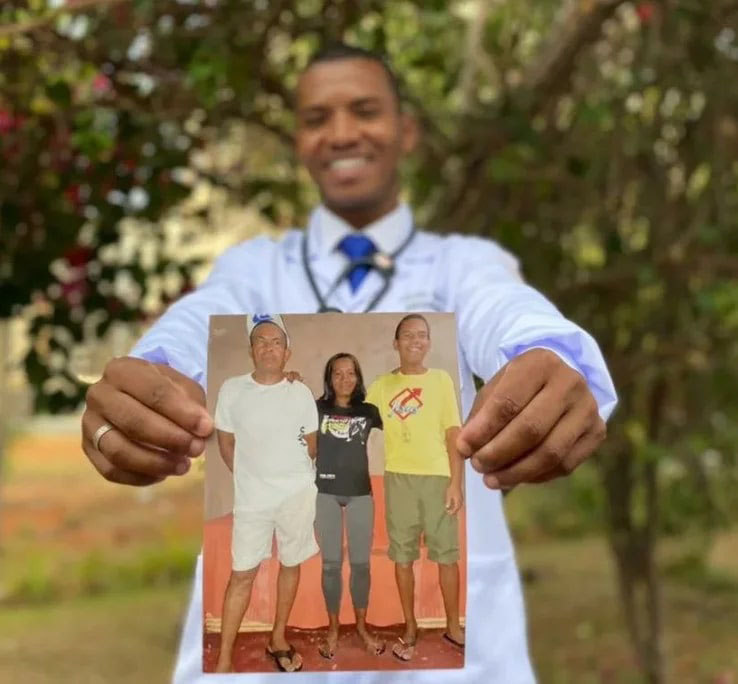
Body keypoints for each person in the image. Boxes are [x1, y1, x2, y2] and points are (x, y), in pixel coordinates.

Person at [81, 43, 617, 683]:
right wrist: (152, 378)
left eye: (364, 110)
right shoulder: (256, 270)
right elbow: (198, 324)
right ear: (299, 142)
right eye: (316, 118)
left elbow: (508, 313)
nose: (341, 133)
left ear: (406, 131)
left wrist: (551, 359)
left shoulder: (461, 265)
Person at [212, 314, 319, 673]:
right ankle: (225, 657)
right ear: (251, 350)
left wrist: (290, 475)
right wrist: (249, 476)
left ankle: (278, 637)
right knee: (242, 573)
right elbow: (225, 442)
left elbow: (312, 445)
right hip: (252, 501)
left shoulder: (300, 391)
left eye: (276, 342)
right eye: (261, 341)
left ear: (287, 352)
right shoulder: (232, 389)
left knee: (290, 563)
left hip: (297, 496)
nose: (269, 347)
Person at [365, 314, 464, 661]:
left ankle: (453, 625)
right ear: (396, 343)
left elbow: (454, 434)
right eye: (408, 336)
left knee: (447, 557)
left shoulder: (441, 381)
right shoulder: (381, 386)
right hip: (399, 479)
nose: (416, 341)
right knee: (403, 557)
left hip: (438, 480)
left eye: (422, 336)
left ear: (429, 343)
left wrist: (456, 483)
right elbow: (349, 411)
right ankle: (410, 625)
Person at [313, 352, 384, 659]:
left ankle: (361, 627)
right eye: (337, 373)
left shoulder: (369, 410)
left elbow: (403, 418)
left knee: (360, 565)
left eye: (350, 372)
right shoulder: (315, 408)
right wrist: (289, 378)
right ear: (329, 379)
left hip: (360, 494)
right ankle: (333, 629)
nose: (344, 379)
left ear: (358, 377)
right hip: (325, 493)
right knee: (330, 566)